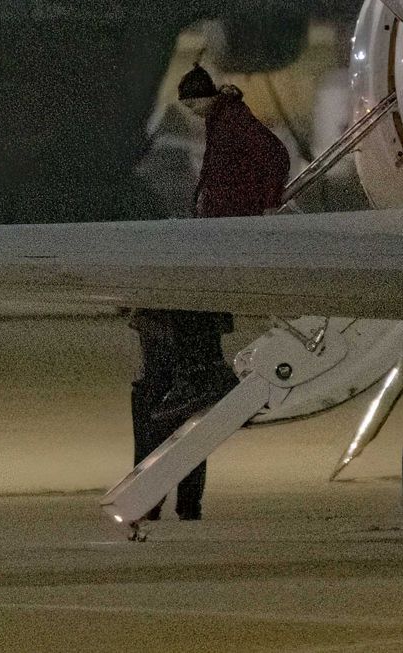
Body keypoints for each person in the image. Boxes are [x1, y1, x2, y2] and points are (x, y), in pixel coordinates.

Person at [130, 63, 290, 521]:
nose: (192, 113)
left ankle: (160, 499)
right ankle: (185, 501)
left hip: (221, 237)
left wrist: (259, 202)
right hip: (215, 236)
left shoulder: (230, 122)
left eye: (191, 104)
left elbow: (270, 157)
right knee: (187, 405)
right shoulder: (224, 122)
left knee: (163, 402)